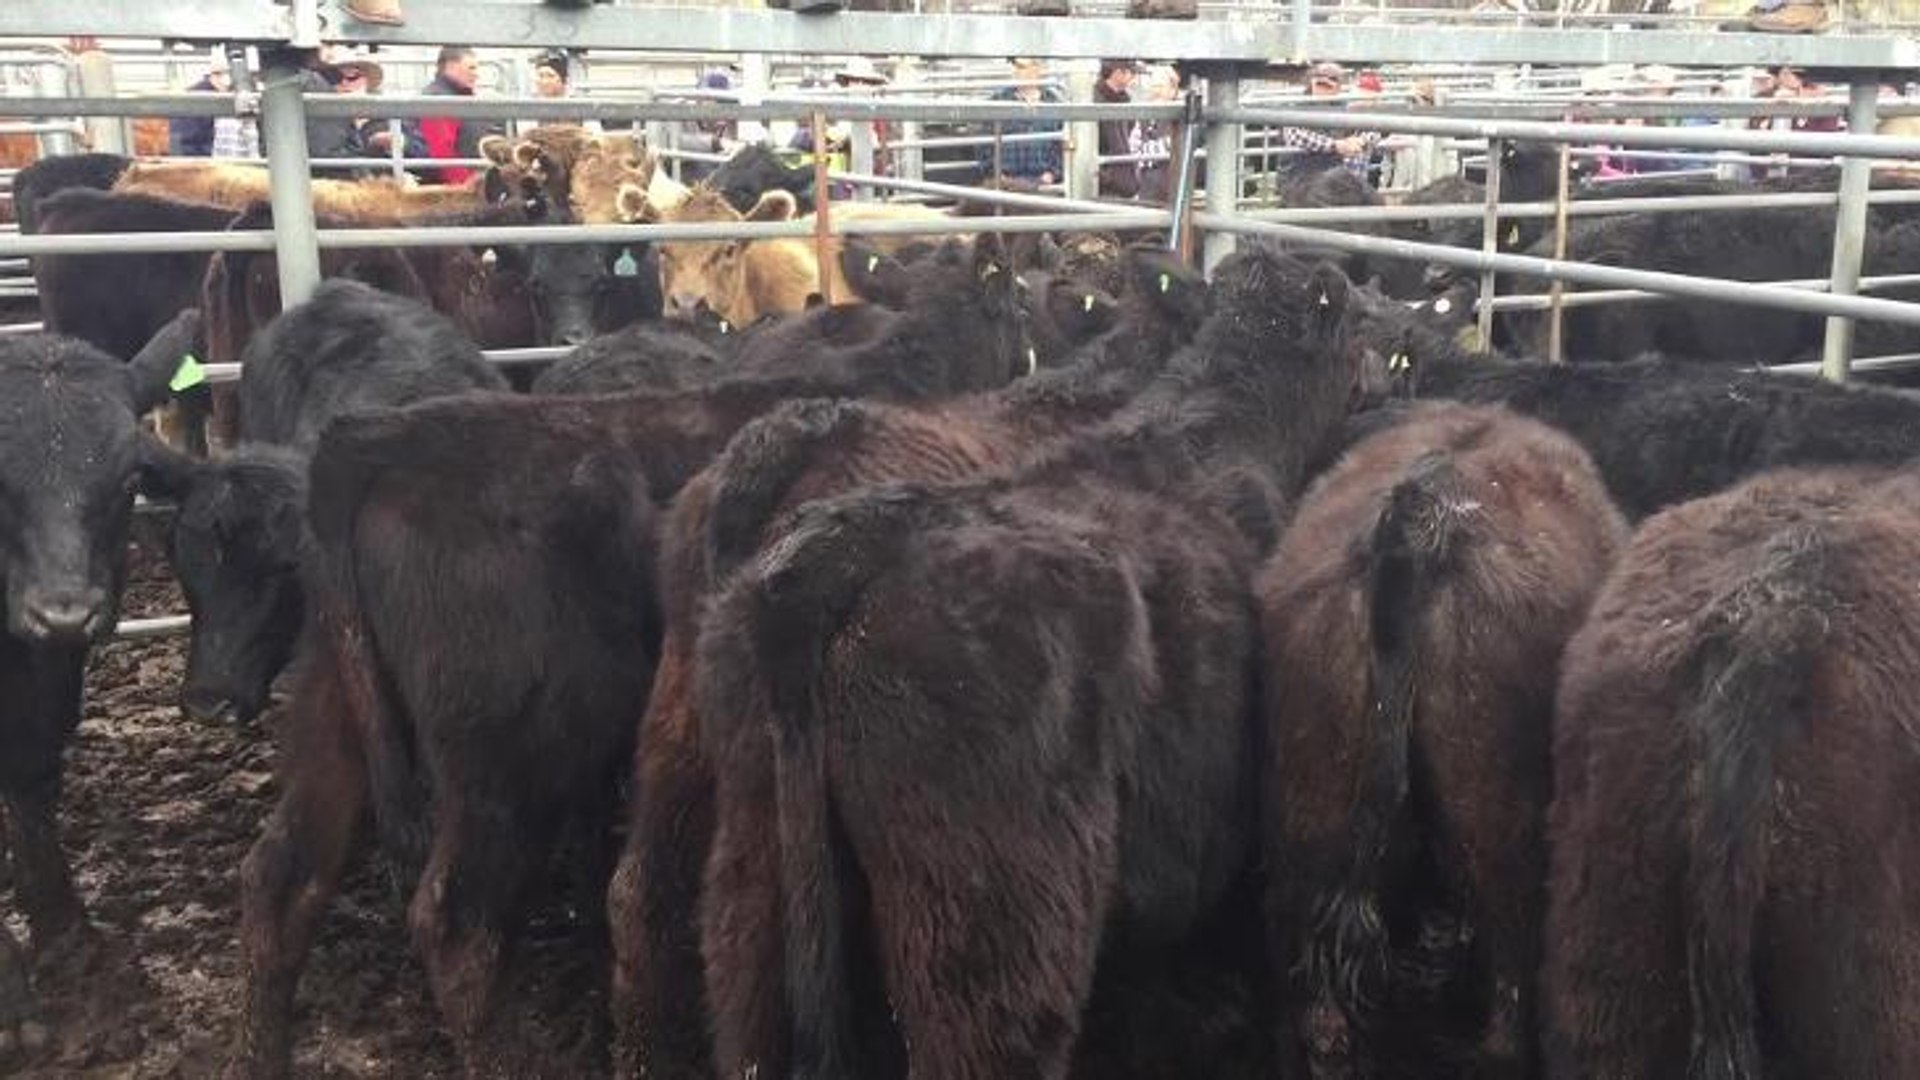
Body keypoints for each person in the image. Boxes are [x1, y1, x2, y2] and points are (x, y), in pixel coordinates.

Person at [1279, 62, 1383, 183]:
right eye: (1320, 82)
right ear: (1311, 82)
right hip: (1299, 177)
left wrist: (1362, 141)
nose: (1324, 87)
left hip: (1329, 177)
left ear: (1338, 87)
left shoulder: (1343, 107)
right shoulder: (1298, 106)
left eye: (1330, 82)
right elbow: (1295, 136)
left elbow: (1374, 130)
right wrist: (1336, 145)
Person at [420, 45, 502, 185]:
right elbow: (441, 152)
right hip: (459, 190)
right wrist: (466, 184)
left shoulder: (452, 97)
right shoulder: (439, 100)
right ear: (451, 66)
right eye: (471, 68)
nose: (476, 74)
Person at [977, 57, 1064, 187]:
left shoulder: (1055, 104)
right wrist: (997, 175)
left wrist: (1052, 175)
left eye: (1021, 67)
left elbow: (1062, 145)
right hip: (1006, 183)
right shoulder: (997, 102)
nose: (1016, 72)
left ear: (1037, 69)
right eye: (1014, 66)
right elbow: (984, 144)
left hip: (1043, 184)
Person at [333, 56, 427, 173]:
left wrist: (402, 143)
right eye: (334, 77)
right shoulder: (323, 124)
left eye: (352, 76)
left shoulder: (392, 117)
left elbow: (427, 154)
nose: (344, 83)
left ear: (366, 81)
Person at [1128, 64, 1181, 203]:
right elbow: (1133, 151)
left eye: (1160, 86)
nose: (1156, 91)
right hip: (1146, 191)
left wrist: (1147, 152)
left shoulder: (1181, 114)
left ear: (1173, 90)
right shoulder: (1145, 116)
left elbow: (1175, 144)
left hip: (1174, 191)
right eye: (1153, 86)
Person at [169, 51, 231, 157]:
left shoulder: (228, 93)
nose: (227, 81)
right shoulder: (195, 97)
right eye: (220, 74)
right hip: (199, 159)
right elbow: (186, 140)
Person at [1095, 59, 1140, 199]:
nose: (1134, 77)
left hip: (1119, 182)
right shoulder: (1095, 101)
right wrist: (1106, 177)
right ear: (1118, 73)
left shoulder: (1124, 101)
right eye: (1131, 73)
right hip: (1104, 185)